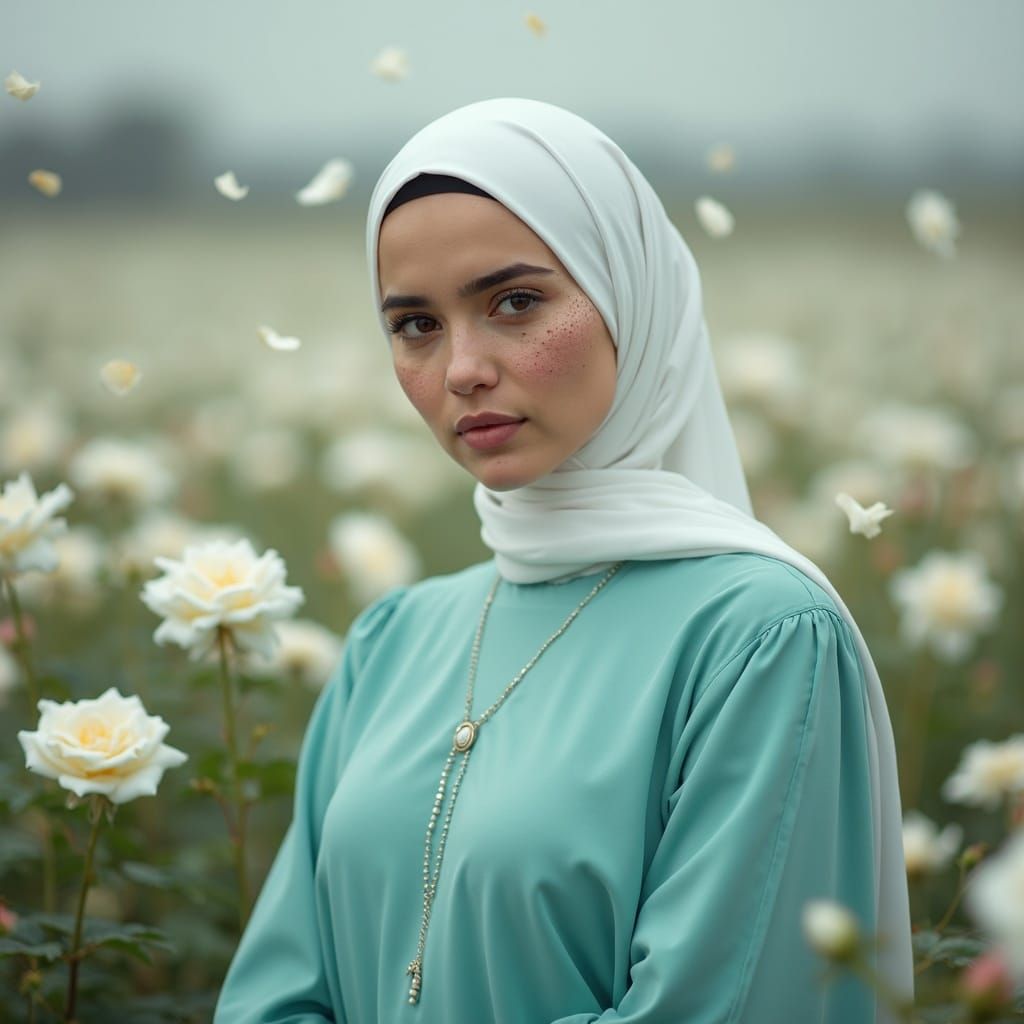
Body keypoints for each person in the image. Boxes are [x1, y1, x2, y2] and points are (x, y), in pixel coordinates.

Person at [214, 97, 913, 1023]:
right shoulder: (394, 640)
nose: (462, 367)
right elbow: (278, 993)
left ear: (628, 293)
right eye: (416, 324)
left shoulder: (761, 637)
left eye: (515, 302)